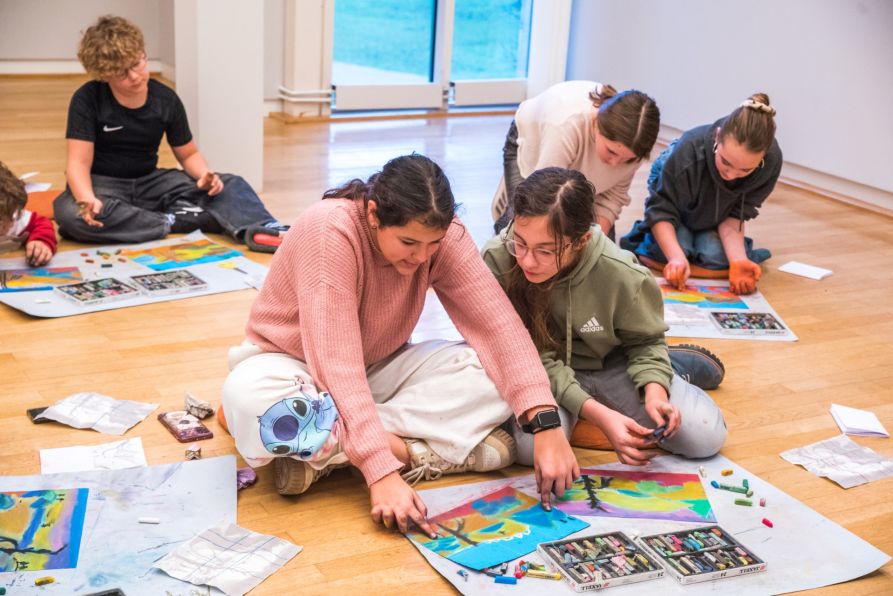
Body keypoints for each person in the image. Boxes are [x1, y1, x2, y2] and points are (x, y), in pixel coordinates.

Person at [221, 154, 580, 536]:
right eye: (408, 242)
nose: (422, 256)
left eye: (432, 244)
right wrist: (380, 472)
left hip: (377, 368)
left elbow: (497, 325)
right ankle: (416, 452)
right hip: (292, 367)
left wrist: (545, 421)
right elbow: (335, 363)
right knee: (253, 402)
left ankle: (328, 447)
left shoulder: (443, 236)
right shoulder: (328, 231)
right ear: (374, 214)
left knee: (489, 371)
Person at [482, 167, 728, 467]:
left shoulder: (622, 273)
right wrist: (598, 414)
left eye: (545, 251)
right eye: (519, 242)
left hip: (611, 363)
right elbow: (525, 356)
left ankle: (670, 367)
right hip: (538, 373)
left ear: (582, 241)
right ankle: (597, 417)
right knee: (528, 451)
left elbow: (646, 341)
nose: (527, 261)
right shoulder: (497, 259)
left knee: (704, 437)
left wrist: (654, 390)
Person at [54, 15, 287, 245]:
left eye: (137, 63)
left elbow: (188, 154)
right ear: (104, 75)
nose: (135, 76)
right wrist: (86, 199)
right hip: (104, 185)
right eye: (122, 73)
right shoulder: (87, 99)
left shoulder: (166, 99)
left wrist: (205, 176)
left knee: (233, 184)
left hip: (150, 183)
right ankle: (175, 221)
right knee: (68, 214)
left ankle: (265, 229)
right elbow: (78, 164)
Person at [620, 93, 782, 294]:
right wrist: (676, 258)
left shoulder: (771, 162)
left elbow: (736, 215)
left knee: (716, 257)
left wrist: (738, 260)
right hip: (676, 198)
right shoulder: (688, 151)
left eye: (745, 171)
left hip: (715, 211)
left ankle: (700, 236)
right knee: (676, 251)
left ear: (763, 158)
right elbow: (661, 210)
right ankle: (671, 245)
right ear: (717, 136)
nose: (731, 175)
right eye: (726, 162)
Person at [491, 80, 660, 238]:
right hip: (533, 142)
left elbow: (612, 198)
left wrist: (595, 241)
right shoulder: (565, 126)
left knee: (599, 254)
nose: (615, 164)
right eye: (611, 152)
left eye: (627, 160)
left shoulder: (635, 145)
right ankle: (510, 198)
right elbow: (544, 194)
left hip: (571, 161)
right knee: (520, 229)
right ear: (597, 124)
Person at [0, 161, 56, 266]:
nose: (3, 228)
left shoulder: (13, 213)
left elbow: (41, 223)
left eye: (5, 221)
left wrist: (40, 242)